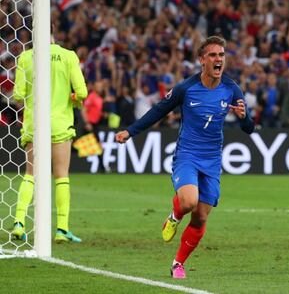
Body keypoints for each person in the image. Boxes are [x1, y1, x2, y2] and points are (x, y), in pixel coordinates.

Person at [115, 36, 254, 279]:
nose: (218, 59)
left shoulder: (232, 89)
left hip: (212, 160)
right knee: (189, 202)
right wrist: (130, 131)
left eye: (221, 55)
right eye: (212, 55)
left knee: (200, 217)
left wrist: (244, 118)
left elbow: (249, 129)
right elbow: (158, 111)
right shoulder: (186, 88)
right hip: (188, 155)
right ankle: (175, 215)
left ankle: (178, 263)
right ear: (202, 60)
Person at [12, 25, 88, 243]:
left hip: (34, 123)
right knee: (61, 175)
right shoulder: (67, 56)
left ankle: (19, 222)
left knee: (30, 173)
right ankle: (62, 229)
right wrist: (72, 100)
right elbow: (82, 92)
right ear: (55, 31)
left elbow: (18, 94)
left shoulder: (26, 58)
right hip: (59, 124)